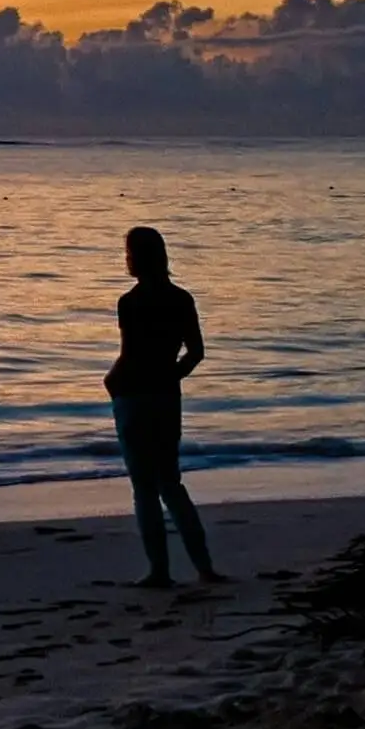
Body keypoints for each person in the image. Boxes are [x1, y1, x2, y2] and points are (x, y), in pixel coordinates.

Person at [105, 224, 220, 588]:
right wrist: (170, 376)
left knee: (144, 487)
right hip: (166, 397)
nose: (126, 260)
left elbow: (129, 356)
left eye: (129, 253)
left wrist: (112, 381)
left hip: (133, 396)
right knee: (171, 483)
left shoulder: (130, 302)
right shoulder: (181, 298)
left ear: (136, 258)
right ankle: (204, 567)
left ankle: (160, 571)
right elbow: (196, 352)